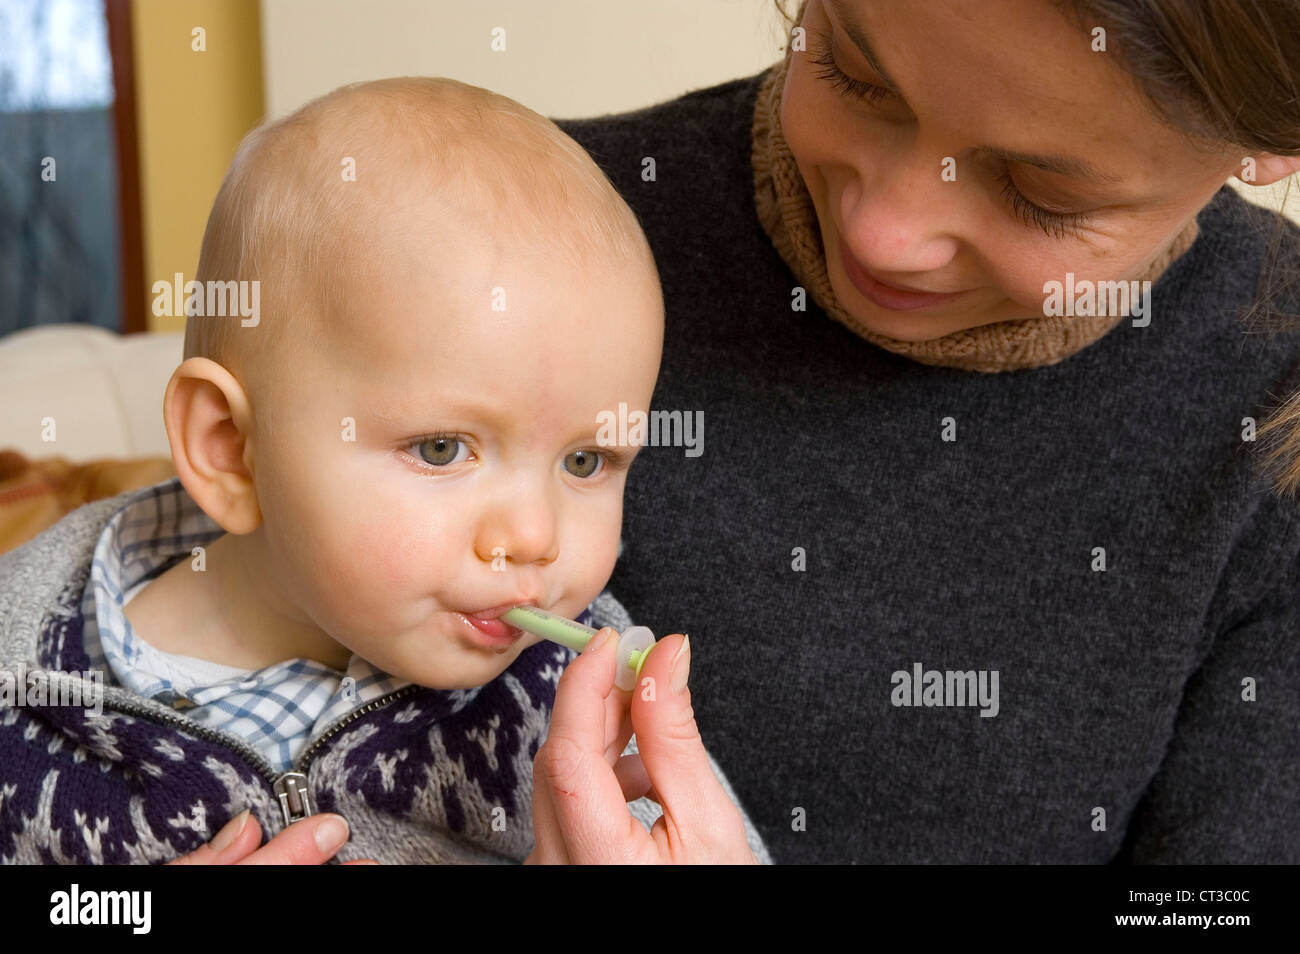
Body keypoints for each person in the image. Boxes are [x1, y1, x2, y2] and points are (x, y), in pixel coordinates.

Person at [537, 0, 1300, 863]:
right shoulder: (490, 238)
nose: (883, 232)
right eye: (852, 73)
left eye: (1040, 192)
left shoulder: (1275, 417)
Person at [0, 76, 769, 864]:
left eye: (585, 460)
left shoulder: (583, 700)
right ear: (229, 447)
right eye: (442, 449)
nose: (534, 536)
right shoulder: (20, 687)